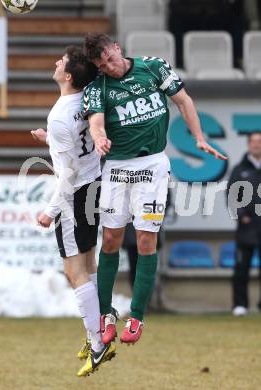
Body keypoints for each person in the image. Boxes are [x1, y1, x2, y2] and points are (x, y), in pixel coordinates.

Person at [82, 33, 227, 345]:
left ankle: (136, 316)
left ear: (117, 48)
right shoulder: (98, 88)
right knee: (110, 238)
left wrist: (199, 137)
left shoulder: (153, 67)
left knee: (146, 240)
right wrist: (99, 137)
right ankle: (106, 314)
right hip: (117, 168)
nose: (109, 67)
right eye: (102, 65)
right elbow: (95, 121)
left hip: (152, 167)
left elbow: (183, 100)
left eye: (110, 58)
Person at [31, 46, 115, 377]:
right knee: (89, 263)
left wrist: (50, 211)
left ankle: (97, 342)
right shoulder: (88, 99)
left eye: (60, 62)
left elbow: (66, 175)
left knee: (73, 270)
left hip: (75, 194)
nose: (55, 62)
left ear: (67, 76)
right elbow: (78, 140)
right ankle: (98, 329)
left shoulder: (59, 115)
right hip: (95, 184)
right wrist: (49, 141)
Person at [227, 132, 261, 316]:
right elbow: (232, 196)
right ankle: (240, 305)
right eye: (254, 142)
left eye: (260, 142)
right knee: (241, 268)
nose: (257, 145)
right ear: (248, 145)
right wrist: (241, 215)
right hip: (246, 227)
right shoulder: (239, 169)